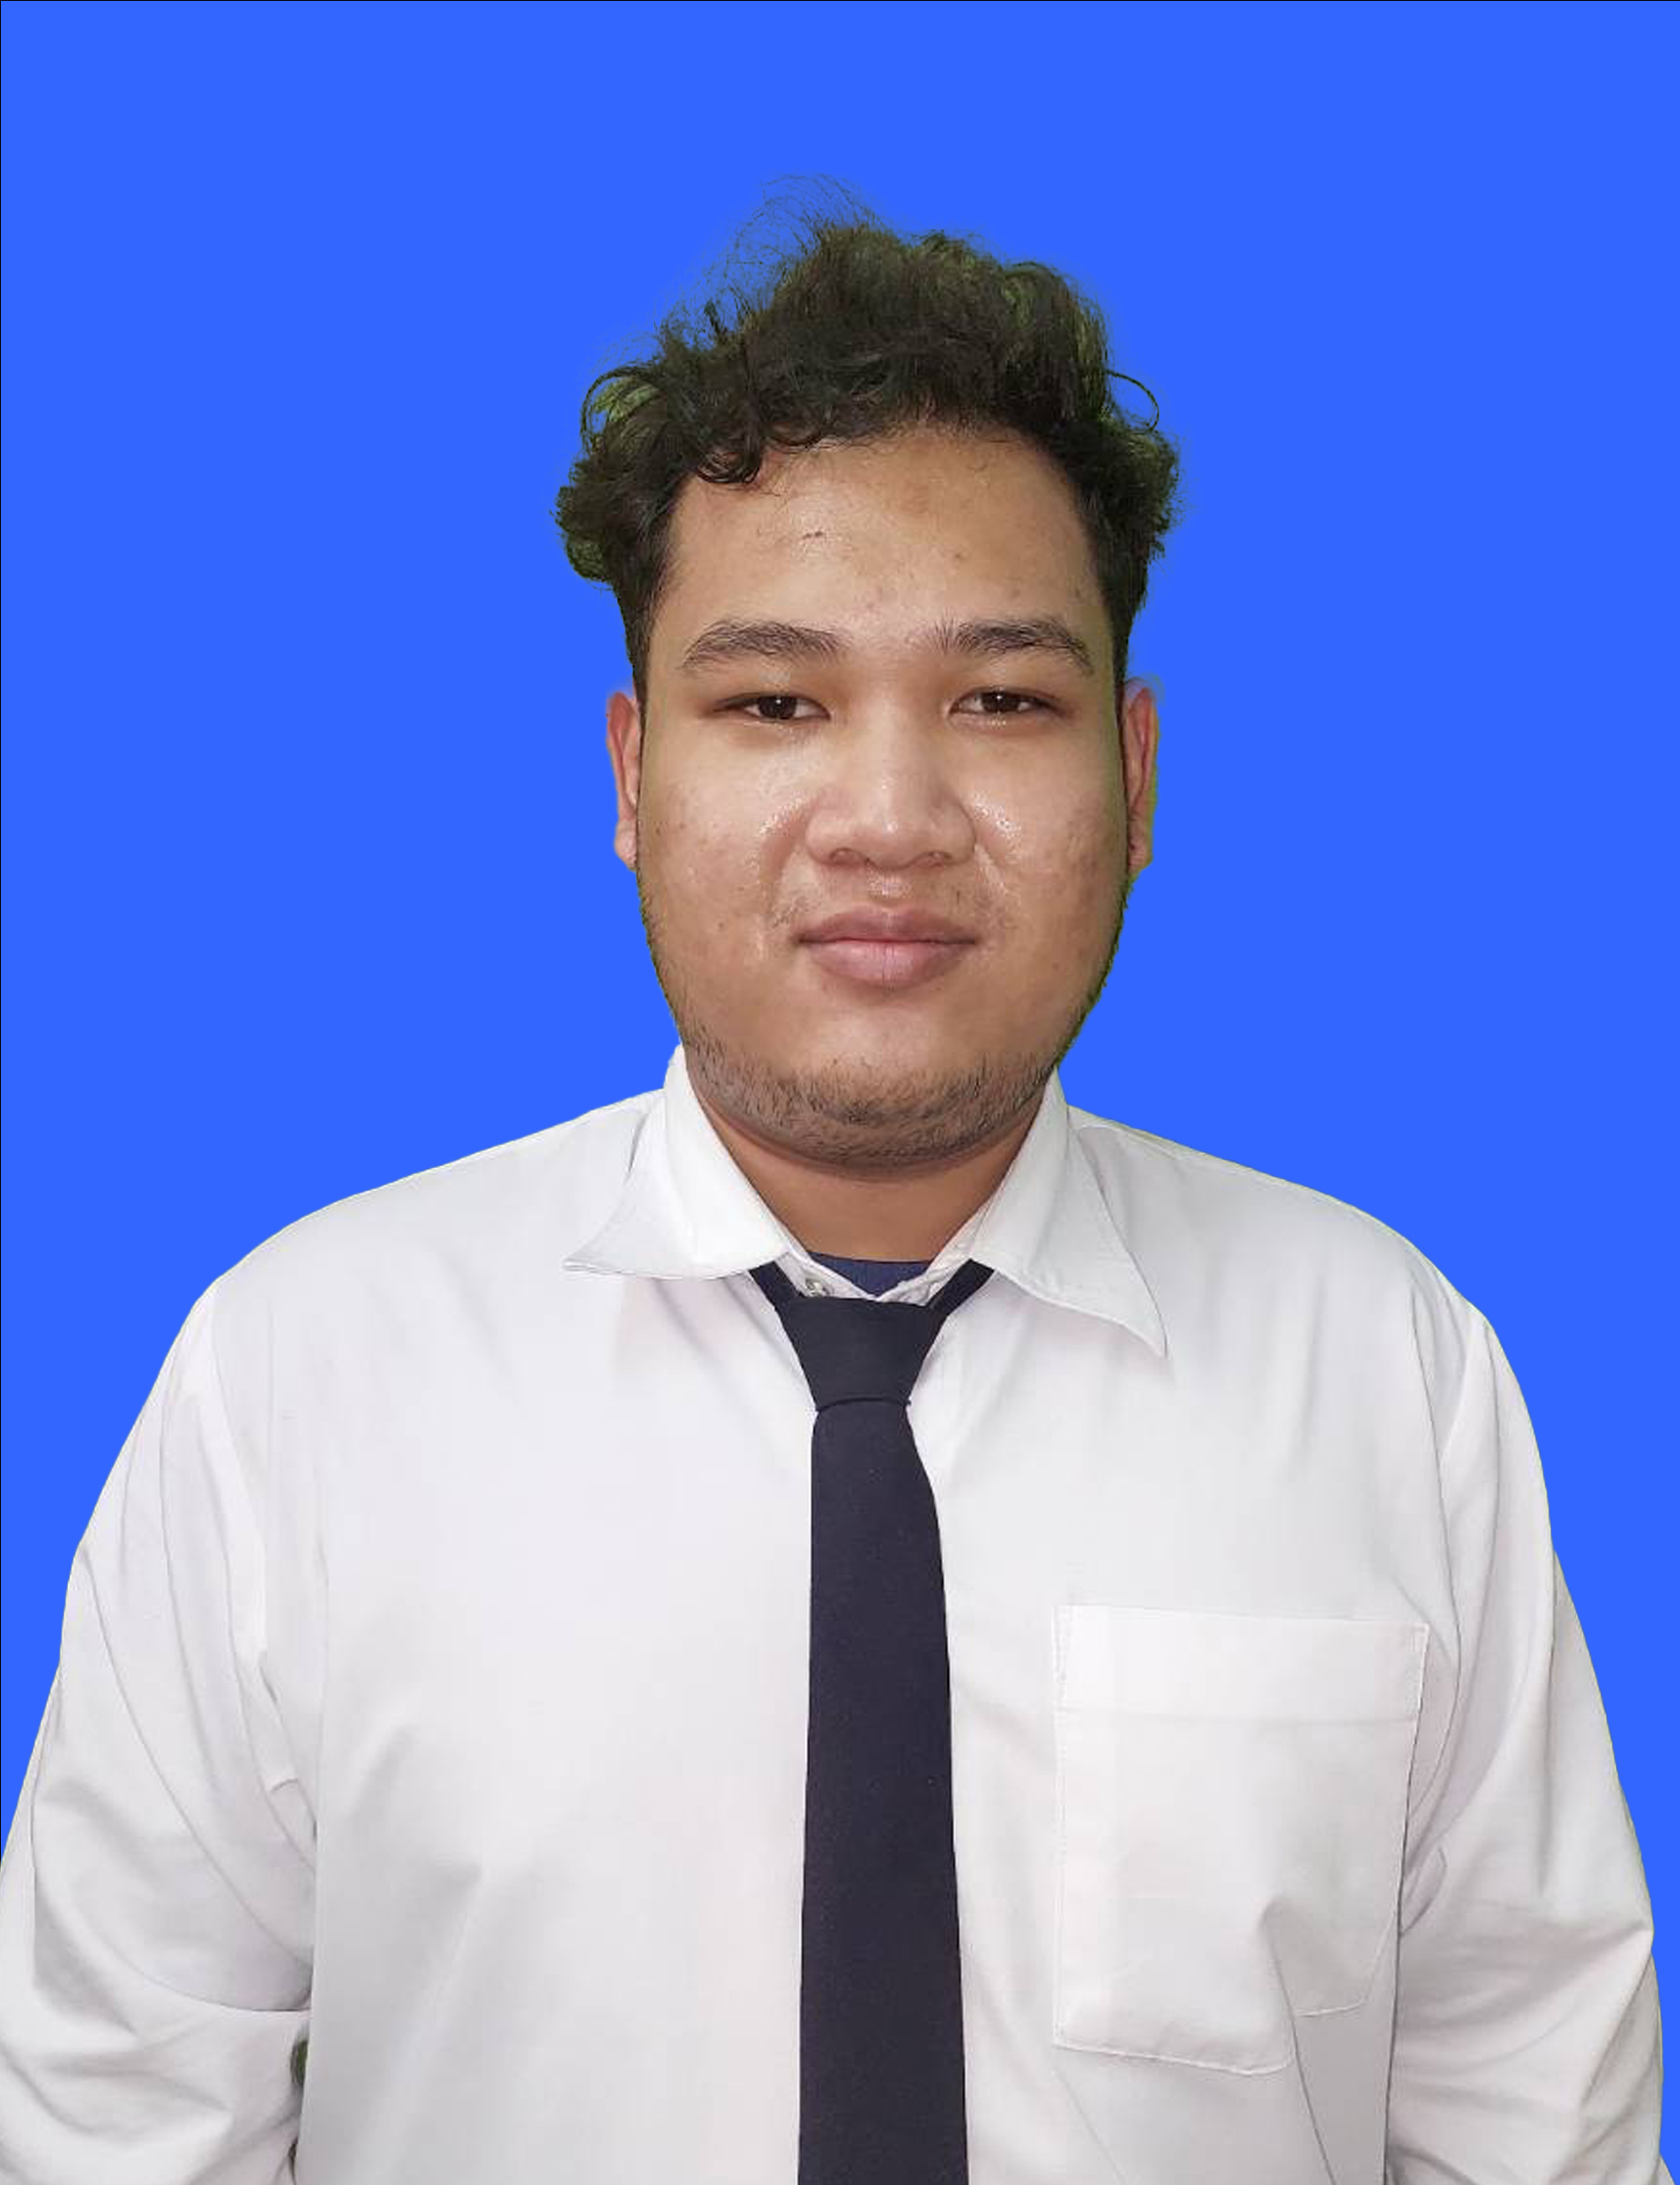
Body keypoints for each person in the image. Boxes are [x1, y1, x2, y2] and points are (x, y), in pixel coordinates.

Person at [0, 182, 1667, 2185]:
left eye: (1001, 701)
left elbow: (1528, 2124)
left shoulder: (1383, 1371)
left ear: (1137, 775)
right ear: (633, 775)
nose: (886, 819)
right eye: (775, 702)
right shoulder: (297, 1380)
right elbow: (114, 2127)